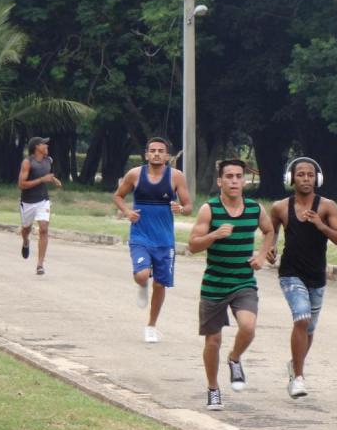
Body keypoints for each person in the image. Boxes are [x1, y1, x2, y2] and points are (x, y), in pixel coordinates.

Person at [188, 158, 273, 411]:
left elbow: (269, 232)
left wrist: (260, 256)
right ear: (220, 181)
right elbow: (193, 245)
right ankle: (213, 389)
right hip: (214, 284)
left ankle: (234, 358)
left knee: (248, 327)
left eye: (238, 176)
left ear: (244, 181)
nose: (234, 181)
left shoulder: (254, 209)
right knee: (212, 341)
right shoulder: (209, 210)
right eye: (229, 177)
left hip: (243, 281)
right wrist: (214, 235)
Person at [269, 157, 337, 399]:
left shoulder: (327, 207)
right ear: (291, 178)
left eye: (310, 175)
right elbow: (270, 231)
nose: (306, 178)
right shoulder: (280, 207)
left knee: (309, 329)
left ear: (318, 179)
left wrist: (321, 226)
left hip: (316, 275)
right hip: (290, 273)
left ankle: (294, 365)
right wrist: (270, 248)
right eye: (301, 174)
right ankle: (299, 378)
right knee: (302, 318)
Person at [113, 137, 192, 343]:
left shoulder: (176, 176)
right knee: (141, 275)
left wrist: (180, 209)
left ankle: (151, 325)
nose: (156, 154)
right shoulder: (134, 174)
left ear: (167, 156)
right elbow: (118, 196)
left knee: (160, 284)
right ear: (146, 154)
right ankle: (141, 284)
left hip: (165, 239)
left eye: (161, 151)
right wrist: (127, 212)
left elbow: (188, 206)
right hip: (140, 235)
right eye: (152, 150)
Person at [18, 137, 62, 275]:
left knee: (44, 228)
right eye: (44, 143)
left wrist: (53, 179)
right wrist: (42, 180)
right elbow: (22, 184)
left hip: (43, 200)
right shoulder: (27, 162)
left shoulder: (48, 160)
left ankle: (40, 264)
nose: (47, 145)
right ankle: (25, 241)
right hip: (28, 201)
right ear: (37, 147)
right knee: (26, 229)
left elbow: (47, 174)